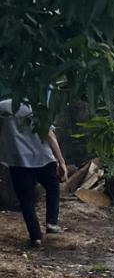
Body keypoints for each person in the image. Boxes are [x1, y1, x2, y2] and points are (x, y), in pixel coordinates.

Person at [0, 99, 68, 247]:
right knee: (53, 188)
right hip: (43, 157)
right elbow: (49, 135)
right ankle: (52, 222)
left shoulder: (3, 107)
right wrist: (61, 161)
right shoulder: (36, 107)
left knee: (26, 201)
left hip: (18, 160)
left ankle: (35, 237)